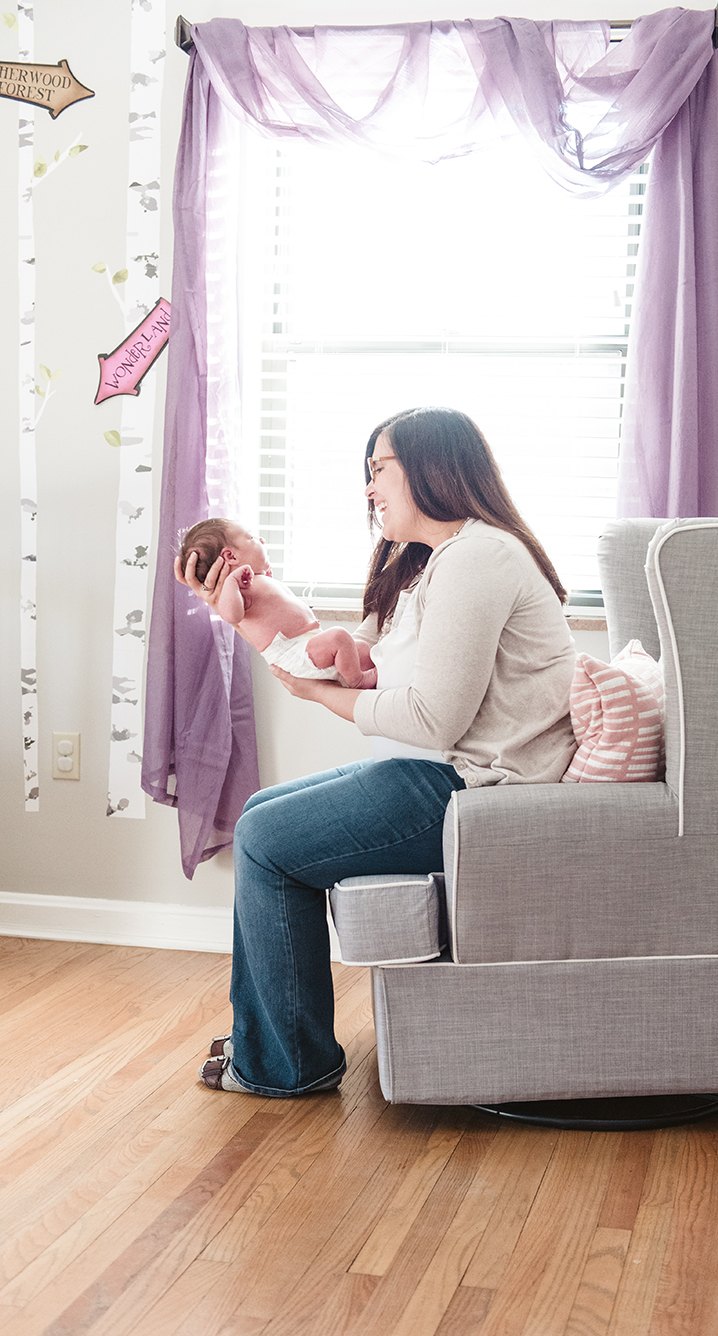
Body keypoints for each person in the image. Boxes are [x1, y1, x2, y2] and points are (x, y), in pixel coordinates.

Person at [178, 407, 576, 1096]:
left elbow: (431, 718)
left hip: (479, 790)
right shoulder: (429, 564)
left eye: (379, 469)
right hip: (442, 774)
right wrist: (247, 616)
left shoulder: (478, 558)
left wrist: (312, 693)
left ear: (430, 468)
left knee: (265, 839)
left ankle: (283, 1064)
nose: (369, 488)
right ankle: (270, 1042)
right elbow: (347, 658)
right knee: (261, 814)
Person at [176, 518, 376, 689]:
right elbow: (232, 616)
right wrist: (231, 582)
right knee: (339, 636)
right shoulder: (235, 589)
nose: (262, 540)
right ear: (231, 556)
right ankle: (356, 680)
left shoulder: (255, 582)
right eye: (252, 537)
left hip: (309, 642)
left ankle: (359, 677)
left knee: (362, 650)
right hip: (295, 652)